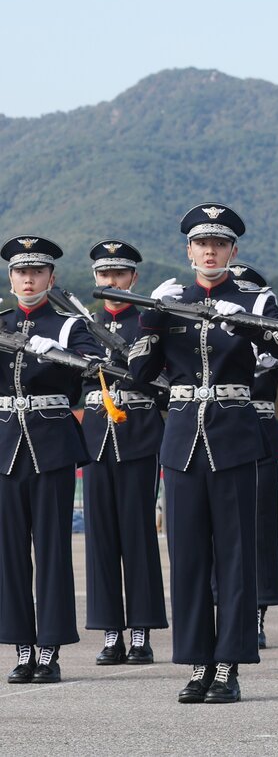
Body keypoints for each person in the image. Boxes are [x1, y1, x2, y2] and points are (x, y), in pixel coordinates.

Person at [126, 204, 278, 704]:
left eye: (220, 244)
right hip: (182, 438)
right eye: (202, 244)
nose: (210, 251)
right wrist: (151, 321)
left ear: (233, 251)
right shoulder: (170, 298)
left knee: (234, 555)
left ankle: (229, 664)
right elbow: (141, 374)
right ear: (188, 251)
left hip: (233, 436)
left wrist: (245, 322)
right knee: (186, 557)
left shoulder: (254, 297)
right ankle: (197, 662)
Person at [0, 237, 103, 685]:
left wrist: (61, 355)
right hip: (4, 446)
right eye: (21, 272)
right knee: (9, 554)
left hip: (52, 445)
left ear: (51, 278)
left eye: (37, 272)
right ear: (10, 279)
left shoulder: (66, 326)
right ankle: (22, 646)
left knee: (52, 550)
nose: (28, 279)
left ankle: (50, 648)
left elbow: (96, 362)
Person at [82, 240, 168, 666]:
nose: (111, 282)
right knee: (100, 538)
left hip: (138, 435)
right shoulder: (80, 326)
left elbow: (163, 379)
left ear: (134, 278)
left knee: (138, 535)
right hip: (96, 438)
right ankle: (110, 632)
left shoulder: (150, 322)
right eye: (104, 275)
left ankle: (141, 632)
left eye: (119, 274)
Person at [229, 262, 278, 649]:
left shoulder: (271, 352)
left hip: (260, 437)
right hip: (222, 434)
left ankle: (257, 612)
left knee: (259, 531)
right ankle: (224, 610)